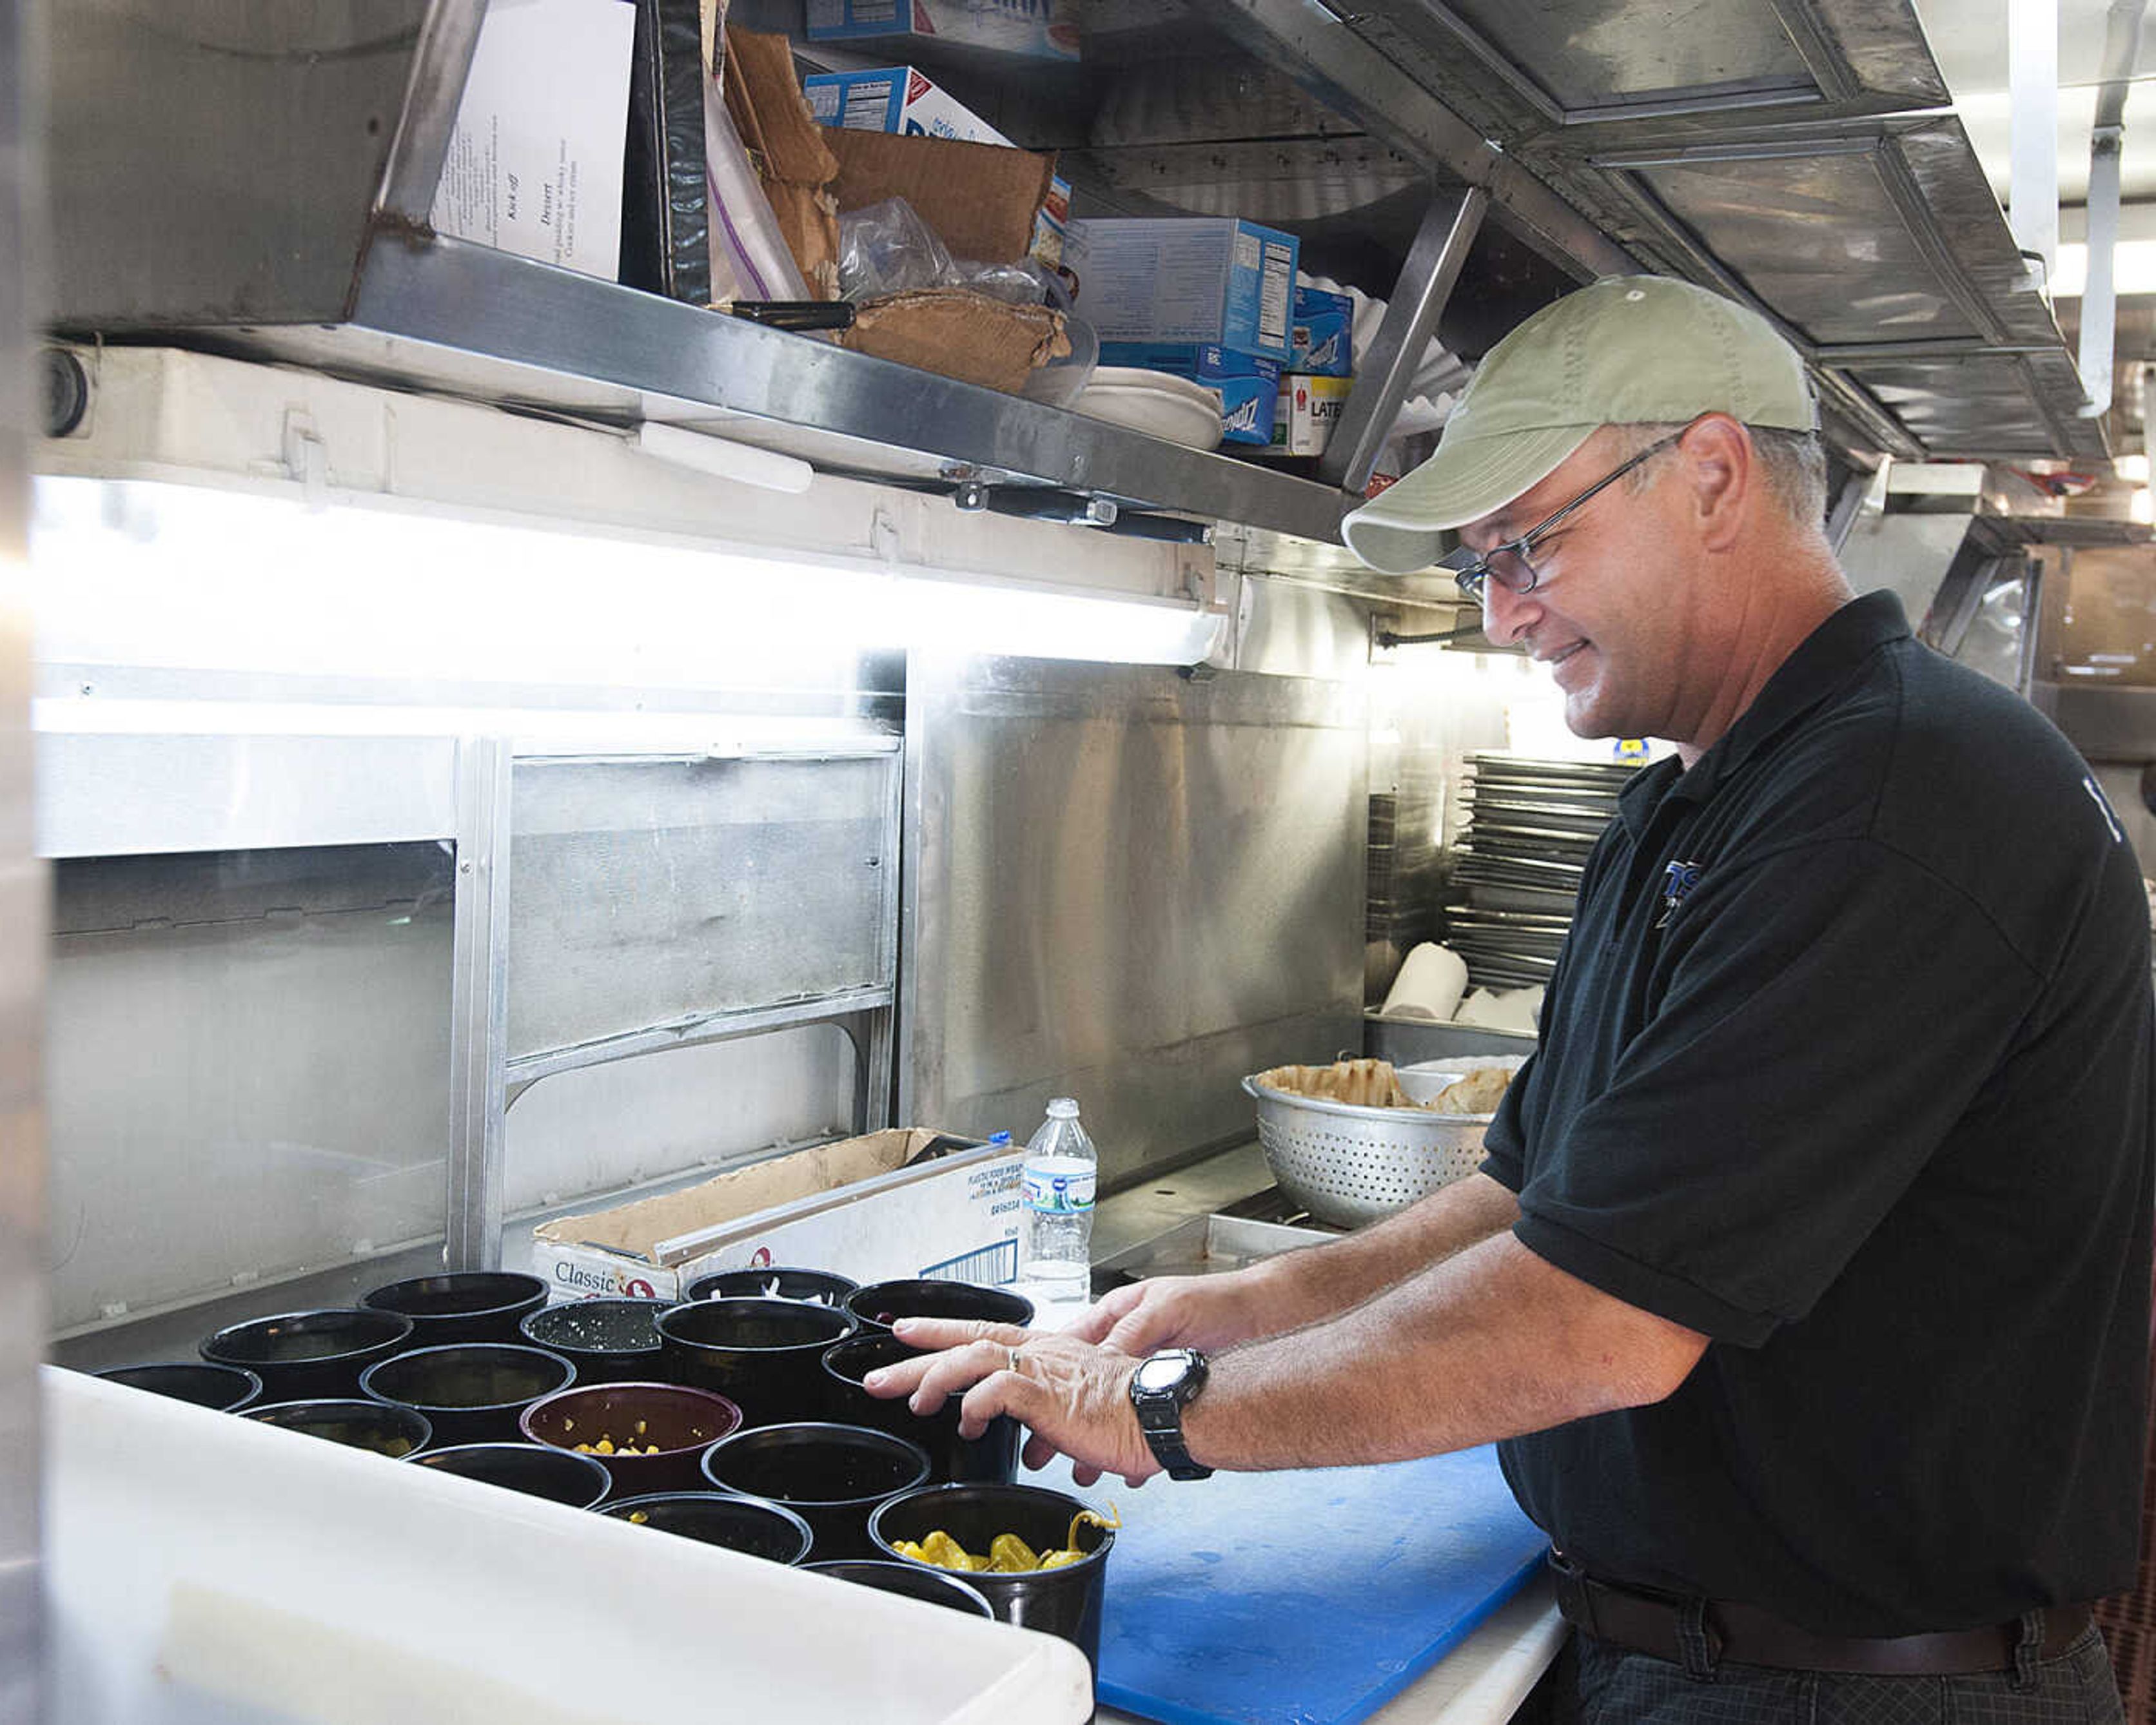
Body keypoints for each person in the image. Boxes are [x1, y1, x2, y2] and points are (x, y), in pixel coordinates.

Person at [866, 275, 2153, 1722]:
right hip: (1690, 1651)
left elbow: (1598, 1316)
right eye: (1481, 564)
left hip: (1852, 1692)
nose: (1501, 613)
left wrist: (1157, 1415)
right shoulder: (1694, 799)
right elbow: (1529, 1195)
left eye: (1527, 543)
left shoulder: (1891, 803)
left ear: (1714, 476)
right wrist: (1240, 1309)